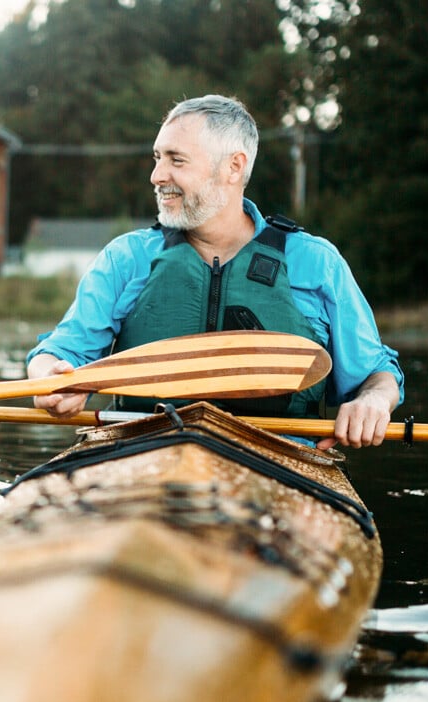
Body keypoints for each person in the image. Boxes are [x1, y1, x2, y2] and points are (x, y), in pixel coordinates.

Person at [27, 94, 403, 450]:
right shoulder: (126, 258)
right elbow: (59, 352)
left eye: (176, 160)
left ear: (233, 167)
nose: (157, 175)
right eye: (157, 158)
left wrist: (374, 400)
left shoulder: (316, 262)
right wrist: (50, 378)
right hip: (142, 453)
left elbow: (376, 374)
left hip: (280, 458)